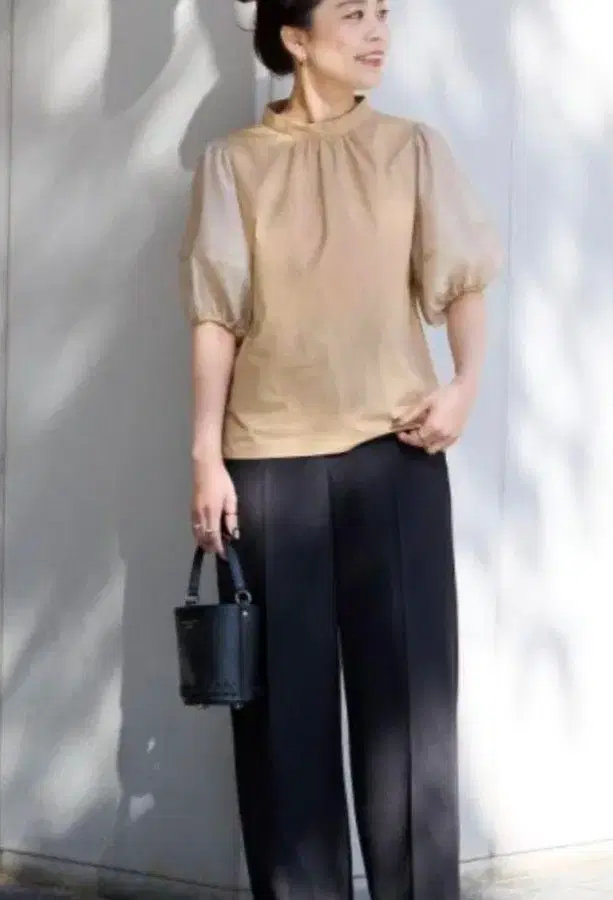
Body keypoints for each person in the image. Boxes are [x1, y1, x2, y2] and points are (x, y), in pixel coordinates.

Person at [178, 0, 502, 897]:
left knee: (412, 718)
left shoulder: (412, 149)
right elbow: (215, 316)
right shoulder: (235, 163)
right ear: (295, 38)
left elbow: (462, 282)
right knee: (284, 728)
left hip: (395, 457)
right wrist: (205, 455)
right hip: (268, 468)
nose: (377, 31)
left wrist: (465, 385)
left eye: (383, 13)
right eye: (353, 13)